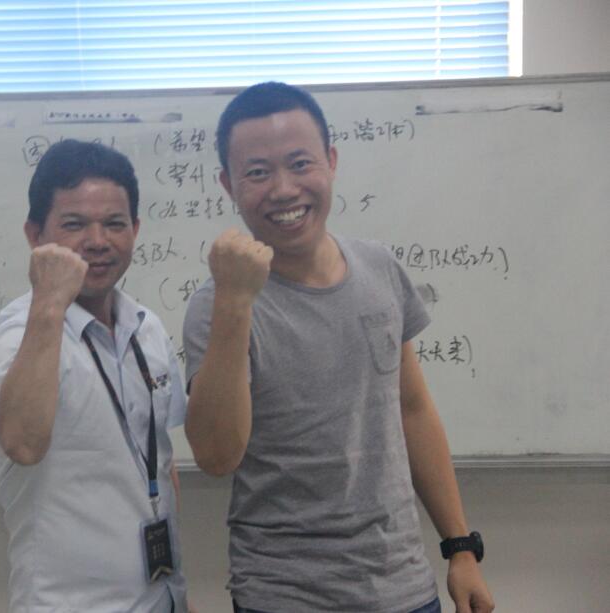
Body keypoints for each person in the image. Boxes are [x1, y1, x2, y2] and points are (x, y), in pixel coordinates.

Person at [182, 82, 495, 613]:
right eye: (257, 172)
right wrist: (236, 301)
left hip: (405, 586)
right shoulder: (216, 305)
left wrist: (460, 548)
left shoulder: (379, 268)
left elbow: (413, 410)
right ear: (228, 185)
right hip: (282, 595)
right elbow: (216, 456)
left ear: (330, 161)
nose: (283, 189)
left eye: (300, 163)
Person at [0, 139, 188, 612]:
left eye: (114, 223)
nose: (98, 241)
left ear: (135, 229)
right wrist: (49, 301)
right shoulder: (20, 331)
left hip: (160, 598)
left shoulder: (146, 328)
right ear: (35, 235)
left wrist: (178, 590)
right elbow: (23, 443)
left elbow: (160, 461)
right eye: (74, 224)